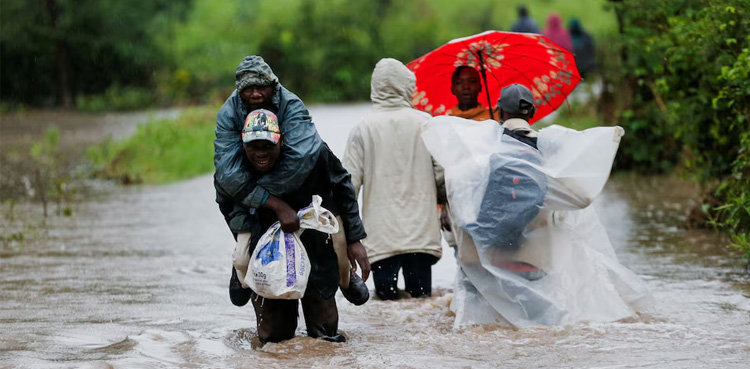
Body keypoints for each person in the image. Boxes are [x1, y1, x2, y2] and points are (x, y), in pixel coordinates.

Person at [214, 55, 368, 307]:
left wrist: (355, 237)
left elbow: (300, 160)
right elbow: (228, 175)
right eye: (248, 89)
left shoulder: (292, 108)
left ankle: (345, 278)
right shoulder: (229, 113)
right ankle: (242, 273)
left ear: (273, 86)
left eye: (260, 87)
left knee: (336, 249)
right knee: (243, 253)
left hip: (298, 188)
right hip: (251, 195)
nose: (254, 94)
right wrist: (270, 203)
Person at [217, 109, 371, 343]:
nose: (260, 154)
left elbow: (343, 187)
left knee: (325, 336)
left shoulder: (312, 152)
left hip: (318, 237)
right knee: (275, 339)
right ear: (243, 145)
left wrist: (354, 239)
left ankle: (345, 277)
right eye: (253, 147)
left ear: (282, 141)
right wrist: (247, 243)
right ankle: (242, 278)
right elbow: (227, 203)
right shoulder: (234, 167)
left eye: (267, 146)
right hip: (267, 241)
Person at [343, 58, 443, 301]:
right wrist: (444, 203)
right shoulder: (426, 123)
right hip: (421, 235)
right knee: (421, 307)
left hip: (381, 238)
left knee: (387, 307)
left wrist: (346, 234)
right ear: (407, 85)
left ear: (375, 87)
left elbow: (348, 187)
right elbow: (442, 177)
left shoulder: (362, 128)